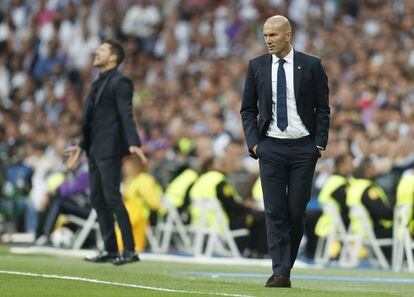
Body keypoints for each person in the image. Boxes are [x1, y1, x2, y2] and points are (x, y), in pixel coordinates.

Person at [240, 15, 330, 287]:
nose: (268, 40)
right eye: (265, 35)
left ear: (287, 35)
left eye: (273, 35)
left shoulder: (312, 65)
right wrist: (255, 143)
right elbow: (248, 109)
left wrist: (318, 144)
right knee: (274, 211)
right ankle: (281, 272)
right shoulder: (256, 66)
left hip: (303, 147)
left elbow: (323, 108)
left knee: (295, 212)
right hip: (271, 147)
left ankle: (284, 267)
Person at [65, 39, 147, 265]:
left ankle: (129, 250)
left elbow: (126, 114)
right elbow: (95, 122)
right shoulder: (97, 83)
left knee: (112, 197)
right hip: (94, 149)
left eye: (102, 50)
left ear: (113, 57)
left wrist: (134, 142)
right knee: (97, 199)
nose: (96, 52)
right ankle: (110, 249)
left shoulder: (121, 82)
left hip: (109, 149)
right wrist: (81, 146)